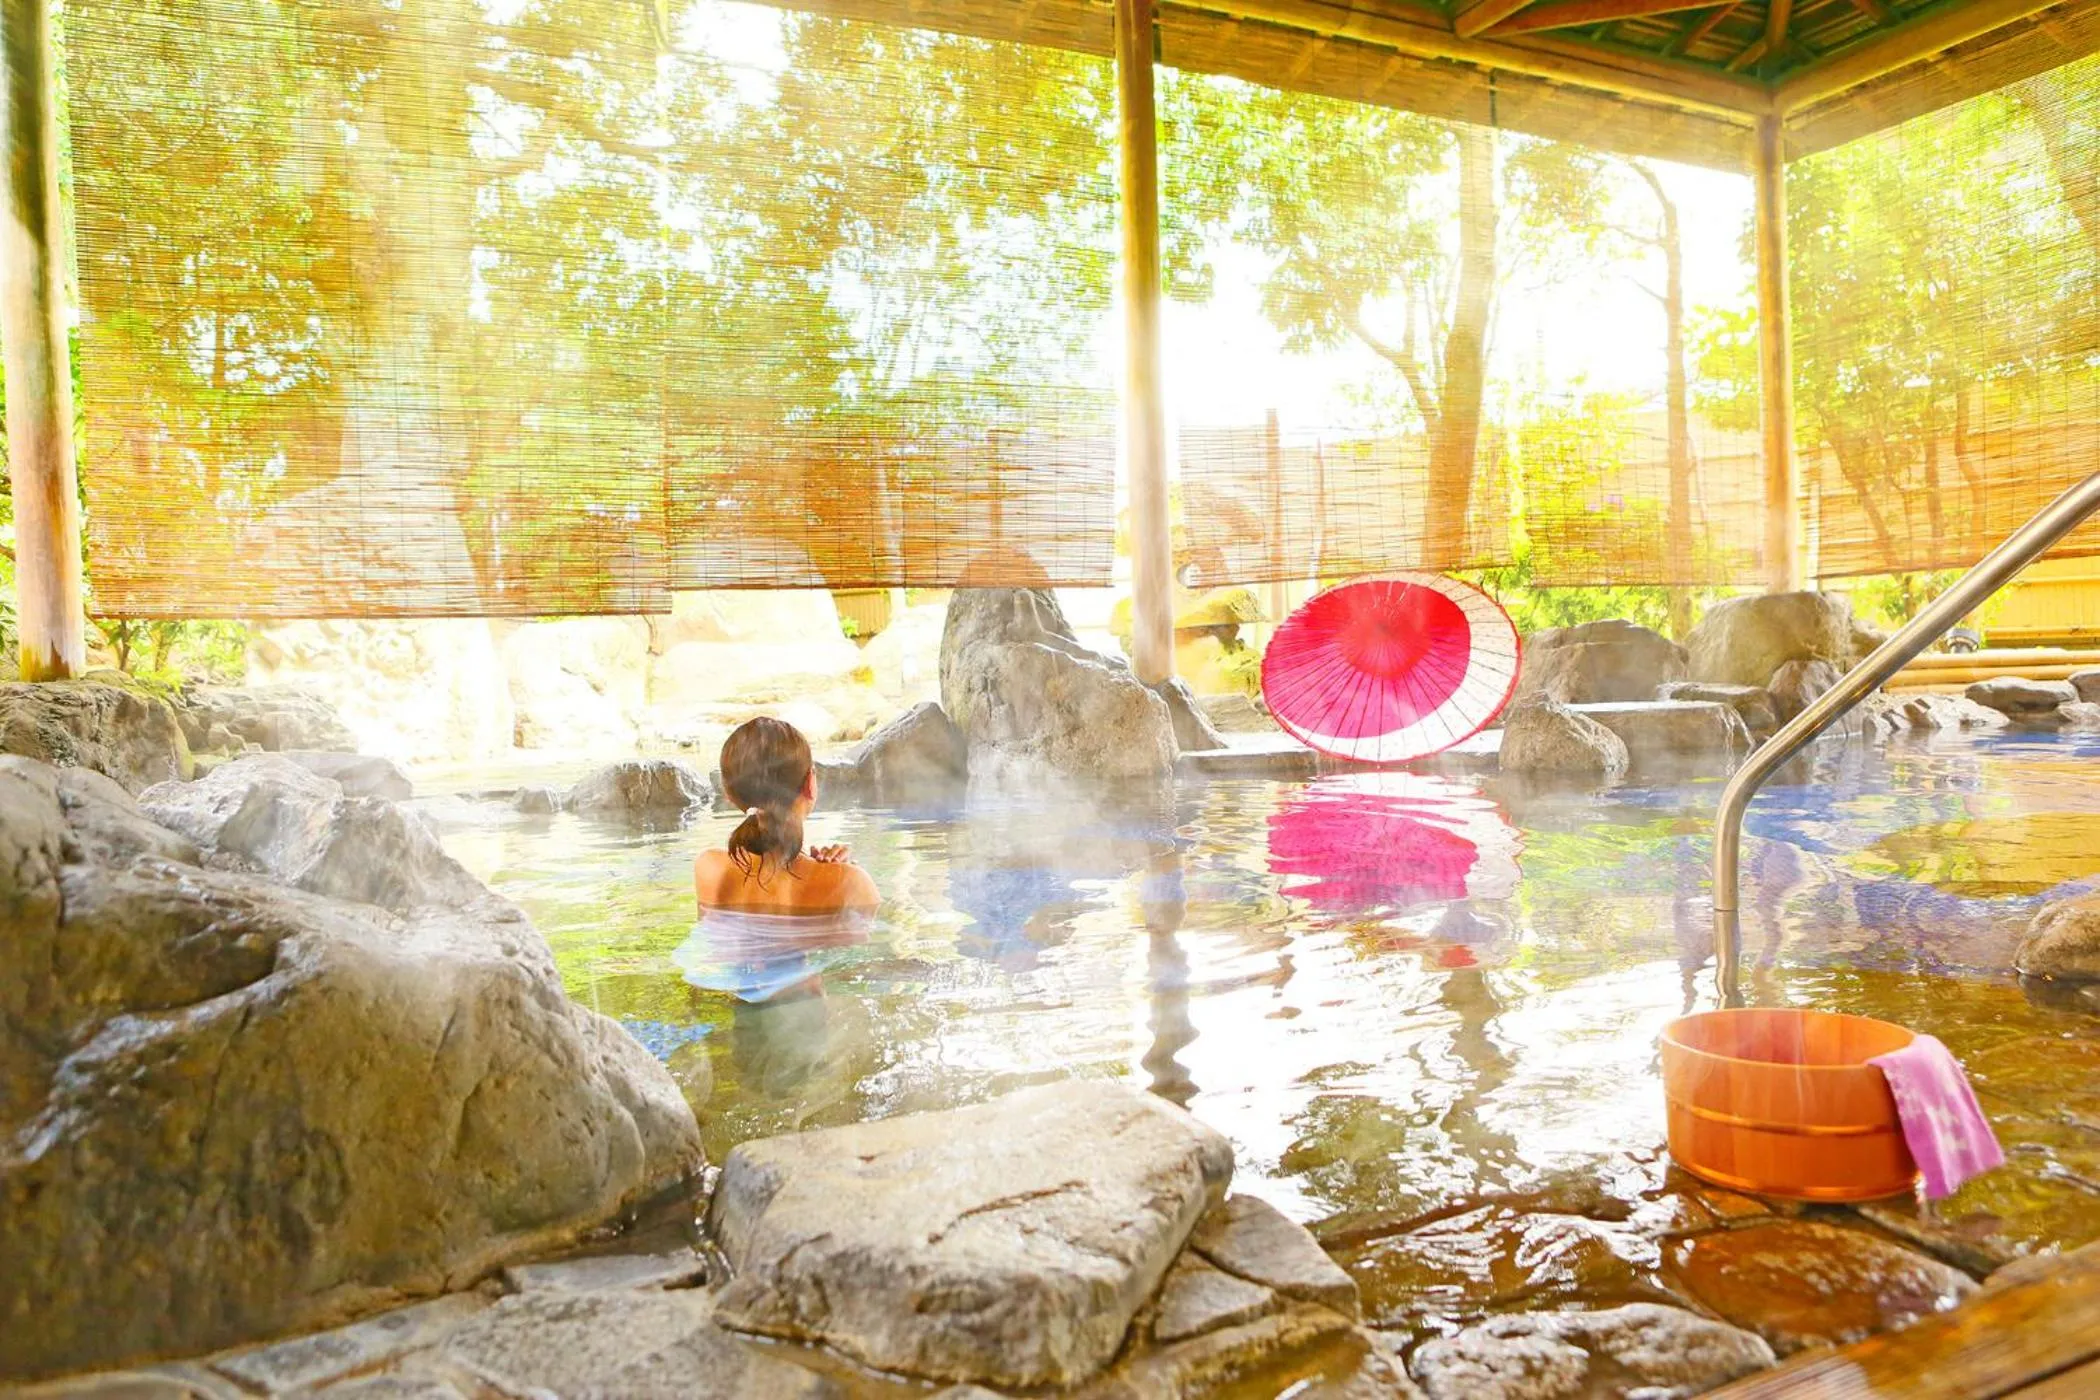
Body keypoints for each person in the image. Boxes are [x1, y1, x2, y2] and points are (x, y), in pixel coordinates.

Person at [678, 717, 878, 1003]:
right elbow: (858, 952)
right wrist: (847, 873)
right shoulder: (850, 882)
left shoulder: (708, 869)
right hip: (809, 1013)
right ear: (810, 783)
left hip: (742, 1009)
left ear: (729, 793)